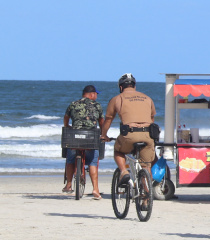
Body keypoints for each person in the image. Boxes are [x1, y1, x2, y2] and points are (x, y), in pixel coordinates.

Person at [101, 74, 157, 202]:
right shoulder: (147, 98)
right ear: (135, 86)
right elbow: (152, 118)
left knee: (118, 151)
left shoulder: (117, 98)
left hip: (130, 134)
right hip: (148, 135)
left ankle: (124, 172)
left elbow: (108, 119)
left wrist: (104, 135)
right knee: (146, 165)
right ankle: (147, 198)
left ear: (121, 87)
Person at [63, 85, 104, 199]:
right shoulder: (97, 105)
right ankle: (95, 189)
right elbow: (101, 121)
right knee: (92, 162)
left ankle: (69, 185)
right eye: (96, 94)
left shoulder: (73, 104)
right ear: (91, 94)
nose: (96, 97)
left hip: (75, 137)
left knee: (70, 158)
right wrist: (103, 133)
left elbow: (66, 118)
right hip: (91, 137)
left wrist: (67, 126)